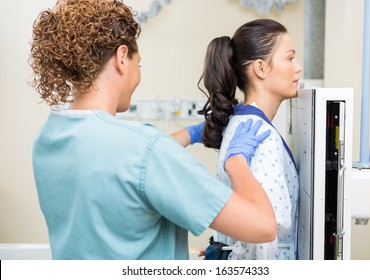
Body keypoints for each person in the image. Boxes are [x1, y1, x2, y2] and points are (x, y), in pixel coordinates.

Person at [28, 0, 276, 260]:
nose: (138, 72)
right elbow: (262, 226)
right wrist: (236, 160)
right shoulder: (145, 150)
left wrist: (191, 134)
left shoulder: (47, 138)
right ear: (122, 58)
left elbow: (121, 165)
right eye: (139, 64)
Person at [197, 19, 303, 260]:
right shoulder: (260, 135)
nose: (298, 67)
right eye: (289, 58)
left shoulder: (241, 124)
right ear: (261, 68)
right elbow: (265, 235)